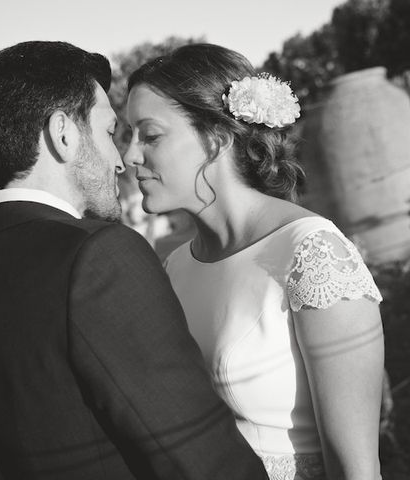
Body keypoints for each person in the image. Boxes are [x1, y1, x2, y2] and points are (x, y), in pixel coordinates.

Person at [0, 41, 267, 480]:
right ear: (63, 134)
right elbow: (195, 456)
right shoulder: (98, 255)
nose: (121, 160)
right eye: (106, 132)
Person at [124, 43, 385, 480]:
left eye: (149, 135)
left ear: (216, 138)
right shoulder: (173, 267)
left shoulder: (313, 254)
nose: (130, 157)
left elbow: (357, 469)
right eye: (127, 137)